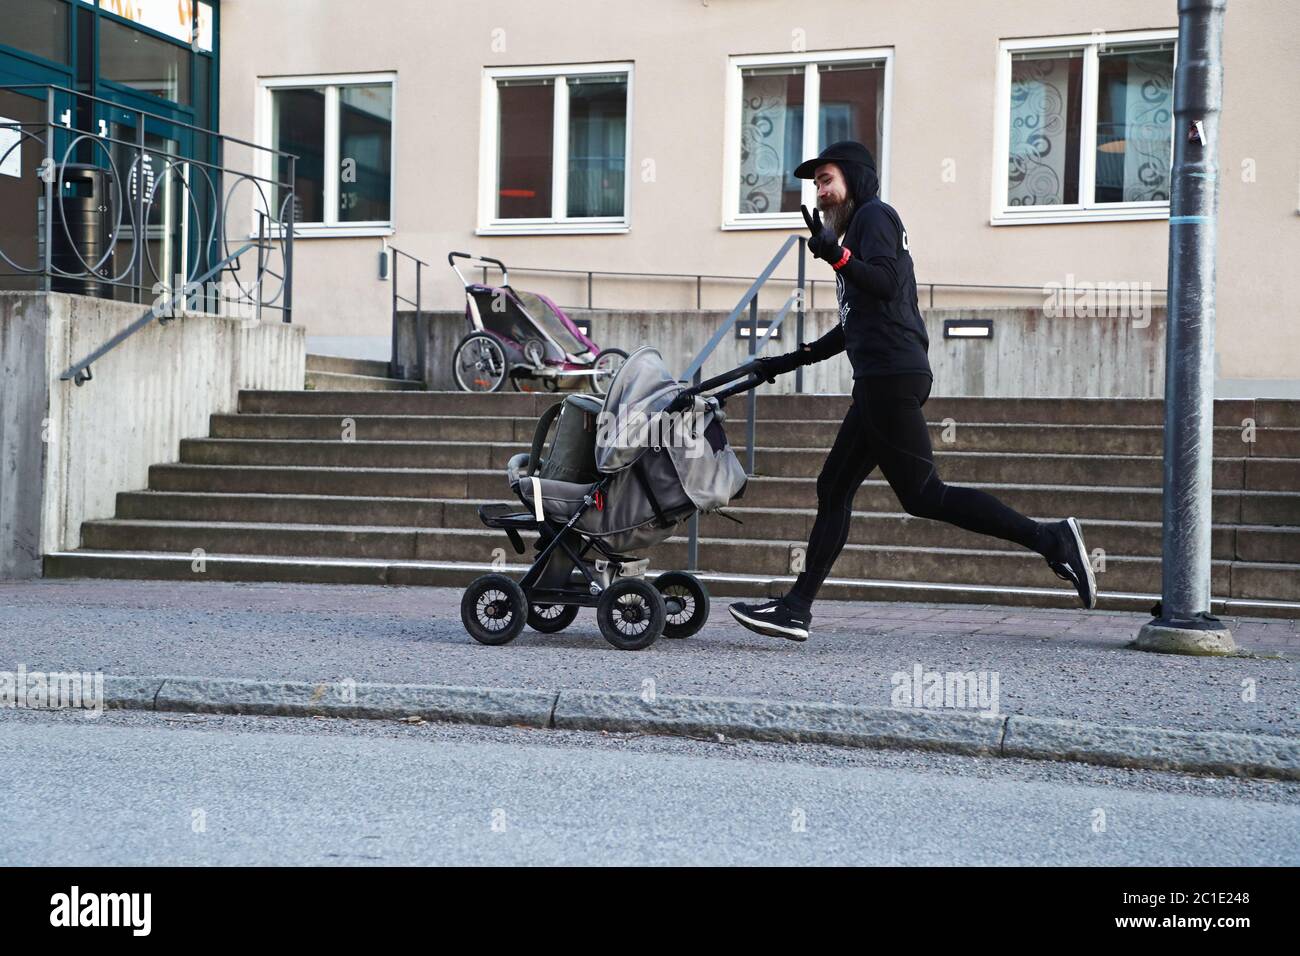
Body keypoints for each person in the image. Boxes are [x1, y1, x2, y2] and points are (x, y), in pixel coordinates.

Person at [728, 141, 1096, 643]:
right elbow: (857, 321)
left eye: (827, 179)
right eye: (815, 185)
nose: (820, 192)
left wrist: (835, 255)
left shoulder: (874, 218)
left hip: (889, 378)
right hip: (881, 377)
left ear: (854, 179)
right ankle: (796, 607)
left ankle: (1049, 538)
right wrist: (789, 360)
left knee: (923, 495)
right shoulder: (859, 232)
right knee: (834, 487)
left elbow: (883, 282)